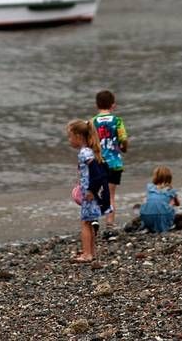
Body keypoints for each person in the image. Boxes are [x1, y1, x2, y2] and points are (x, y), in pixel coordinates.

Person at [66, 119, 108, 263]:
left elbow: (96, 172)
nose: (69, 140)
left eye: (70, 136)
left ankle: (87, 254)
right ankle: (92, 252)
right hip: (90, 193)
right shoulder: (89, 151)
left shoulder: (85, 153)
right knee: (90, 222)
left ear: (78, 136)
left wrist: (91, 190)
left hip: (89, 195)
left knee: (85, 223)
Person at [90, 90, 129, 228]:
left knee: (94, 192)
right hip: (114, 163)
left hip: (98, 163)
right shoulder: (117, 121)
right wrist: (123, 148)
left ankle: (94, 219)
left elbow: (89, 143)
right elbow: (124, 140)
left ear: (96, 105)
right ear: (113, 105)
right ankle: (109, 225)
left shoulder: (92, 122)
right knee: (110, 195)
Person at [139, 166, 181, 234]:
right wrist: (172, 200)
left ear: (155, 177)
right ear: (169, 178)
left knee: (147, 201)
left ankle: (146, 226)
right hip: (162, 217)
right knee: (171, 202)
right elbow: (178, 203)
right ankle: (167, 224)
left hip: (146, 216)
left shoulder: (150, 188)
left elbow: (147, 200)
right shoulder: (170, 190)